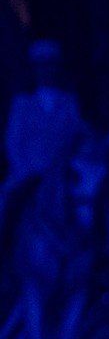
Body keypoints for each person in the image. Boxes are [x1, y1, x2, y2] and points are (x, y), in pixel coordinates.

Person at [1, 39, 88, 258]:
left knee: (91, 203)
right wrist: (27, 168)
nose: (46, 71)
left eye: (51, 64)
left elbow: (78, 136)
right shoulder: (23, 103)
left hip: (62, 175)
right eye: (41, 65)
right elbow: (13, 141)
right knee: (5, 203)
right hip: (28, 173)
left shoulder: (69, 103)